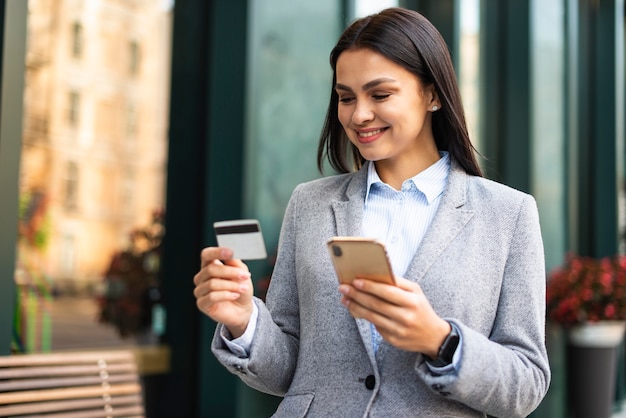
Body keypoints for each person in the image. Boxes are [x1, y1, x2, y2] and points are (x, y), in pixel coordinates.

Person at [193, 7, 550, 417]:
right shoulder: (309, 204)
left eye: (380, 94)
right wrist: (245, 320)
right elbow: (289, 370)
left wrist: (440, 339)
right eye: (346, 97)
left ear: (432, 94)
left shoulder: (508, 215)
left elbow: (527, 383)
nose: (358, 114)